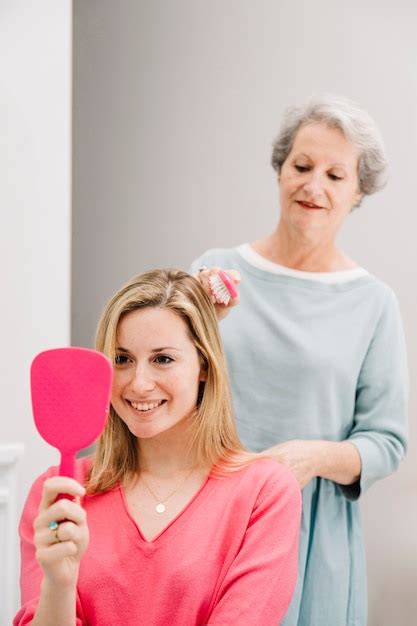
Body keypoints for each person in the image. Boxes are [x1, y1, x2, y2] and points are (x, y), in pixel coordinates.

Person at [191, 95, 409, 626]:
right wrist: (194, 331)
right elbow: (163, 385)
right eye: (302, 166)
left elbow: (387, 442)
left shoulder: (373, 302)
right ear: (280, 169)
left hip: (311, 536)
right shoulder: (213, 273)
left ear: (359, 193)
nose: (314, 186)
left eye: (336, 175)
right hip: (208, 514)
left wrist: (309, 458)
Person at [14, 269, 301, 626]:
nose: (139, 383)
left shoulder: (264, 492)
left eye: (163, 359)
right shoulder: (59, 492)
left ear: (204, 367)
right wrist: (58, 582)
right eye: (122, 359)